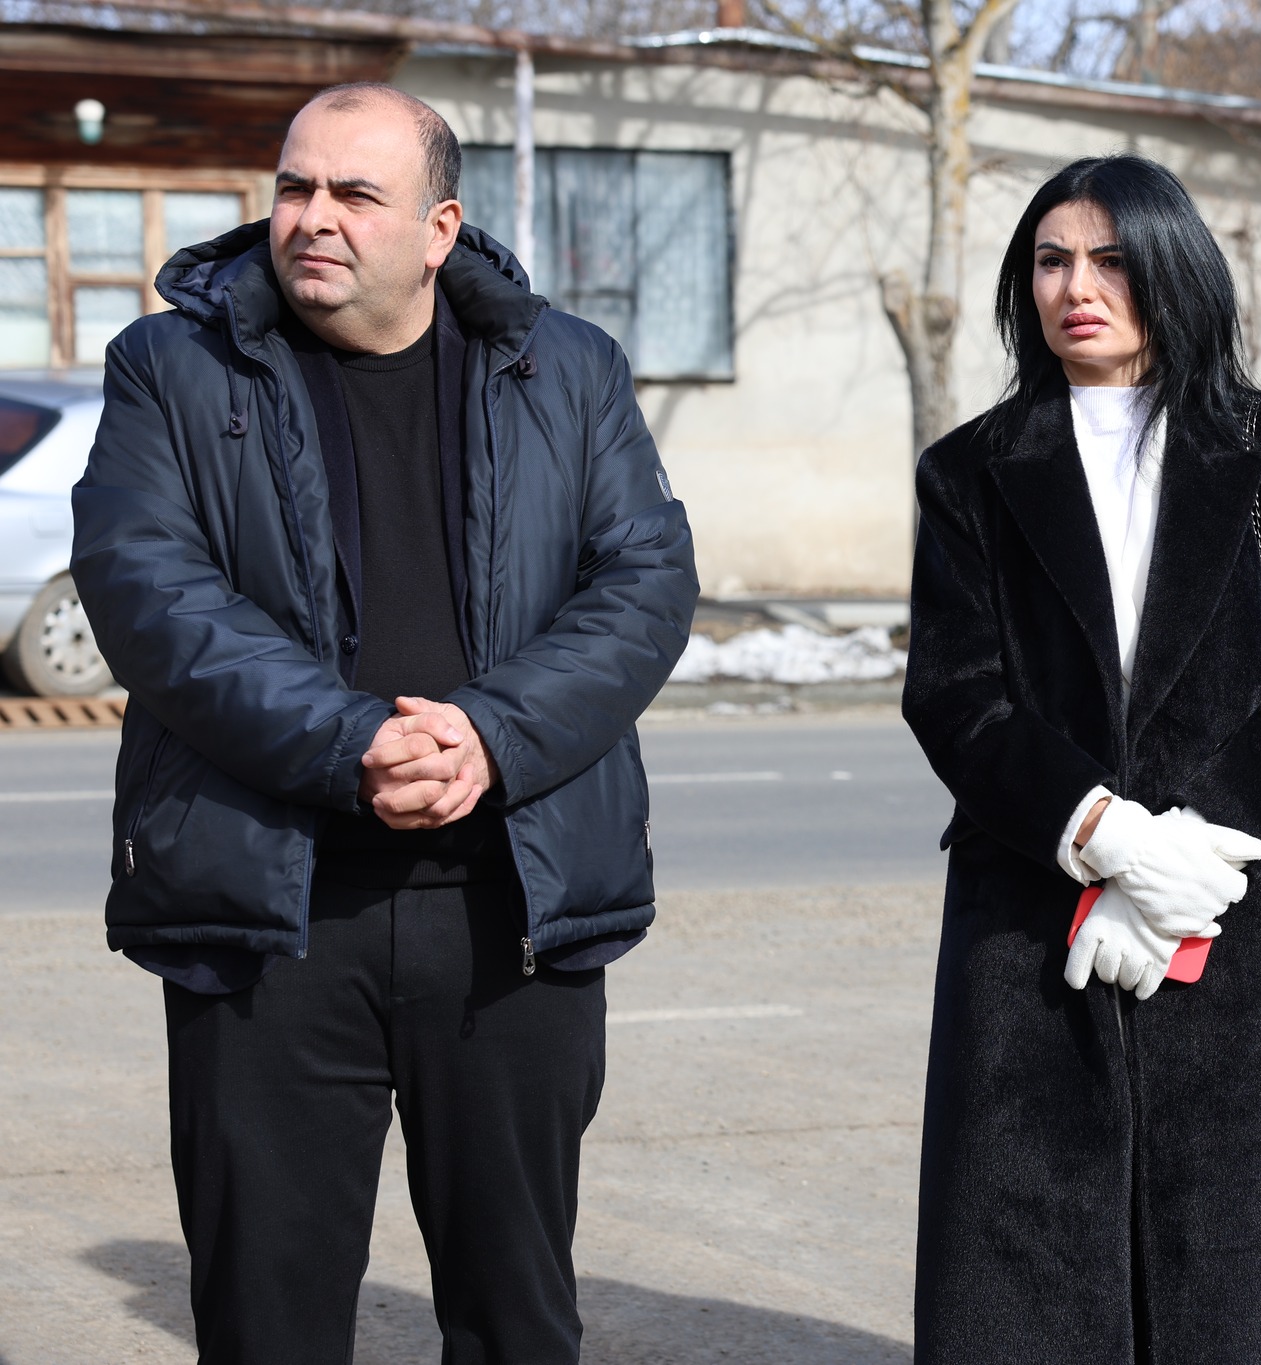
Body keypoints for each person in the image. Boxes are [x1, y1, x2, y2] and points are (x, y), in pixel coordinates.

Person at [70, 84, 696, 1362]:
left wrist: (490, 737)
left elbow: (642, 583)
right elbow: (149, 591)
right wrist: (351, 741)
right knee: (267, 1321)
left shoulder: (567, 367)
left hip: (510, 907)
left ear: (437, 229)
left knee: (517, 1316)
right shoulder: (170, 367)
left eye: (355, 194)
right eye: (295, 186)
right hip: (270, 915)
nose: (313, 218)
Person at [901, 154, 1261, 1364]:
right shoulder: (970, 468)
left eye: (1110, 259)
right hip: (1030, 912)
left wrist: (1188, 860)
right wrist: (1105, 836)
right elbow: (953, 693)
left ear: (1173, 270)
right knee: (1028, 1268)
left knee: (1241, 1272)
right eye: (1050, 261)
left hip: (1230, 915)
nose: (1077, 288)